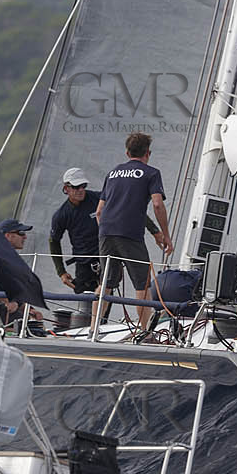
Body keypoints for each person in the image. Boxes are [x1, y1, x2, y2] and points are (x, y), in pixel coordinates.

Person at [96, 132, 173, 331]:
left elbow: (99, 211)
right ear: (148, 153)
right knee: (142, 282)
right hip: (130, 234)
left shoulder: (112, 173)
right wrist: (165, 235)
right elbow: (157, 204)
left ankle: (92, 327)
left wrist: (107, 231)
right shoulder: (151, 173)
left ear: (127, 152)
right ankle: (143, 330)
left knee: (106, 282)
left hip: (106, 231)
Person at [49, 167, 100, 293]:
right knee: (85, 305)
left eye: (83, 185)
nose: (81, 190)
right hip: (83, 265)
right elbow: (53, 241)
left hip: (105, 258)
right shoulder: (61, 215)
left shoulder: (98, 198)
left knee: (104, 300)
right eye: (77, 186)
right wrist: (61, 272)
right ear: (66, 188)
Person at [0, 219, 44, 332]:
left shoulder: (11, 259)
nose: (25, 237)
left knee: (36, 328)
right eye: (21, 233)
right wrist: (6, 301)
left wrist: (28, 309)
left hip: (5, 312)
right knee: (29, 329)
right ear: (8, 236)